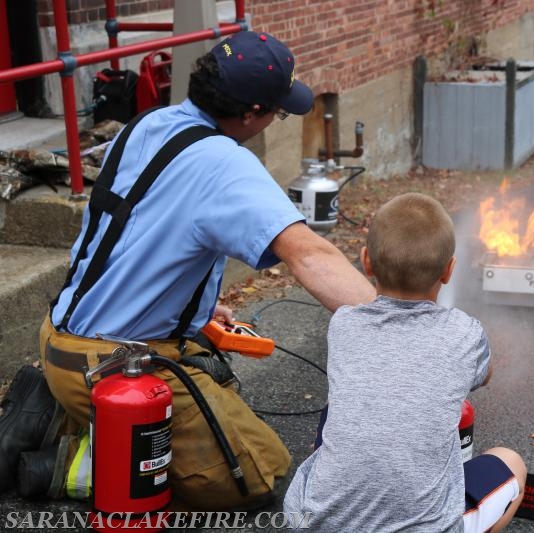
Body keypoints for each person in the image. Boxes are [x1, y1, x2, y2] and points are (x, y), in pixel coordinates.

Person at [0, 31, 375, 508]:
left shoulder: (149, 124)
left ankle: (59, 401)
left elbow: (130, 238)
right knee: (260, 471)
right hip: (113, 365)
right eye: (277, 112)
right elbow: (310, 254)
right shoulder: (225, 164)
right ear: (249, 115)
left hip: (59, 335)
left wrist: (190, 303)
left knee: (228, 417)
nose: (272, 122)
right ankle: (67, 454)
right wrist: (398, 327)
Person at [283, 192, 527, 532]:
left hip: (312, 521)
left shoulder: (344, 323)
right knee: (511, 462)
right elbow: (484, 376)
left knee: (338, 407)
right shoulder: (466, 334)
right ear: (449, 271)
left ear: (366, 261)